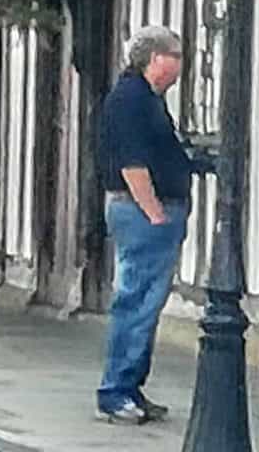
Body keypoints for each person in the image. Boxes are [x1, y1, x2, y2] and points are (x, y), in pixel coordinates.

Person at [95, 24, 193, 427]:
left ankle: (130, 386)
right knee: (136, 301)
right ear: (157, 59)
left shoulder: (147, 99)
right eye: (177, 56)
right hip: (142, 214)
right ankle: (116, 390)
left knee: (145, 304)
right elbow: (132, 162)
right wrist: (154, 211)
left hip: (149, 212)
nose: (181, 65)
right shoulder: (131, 101)